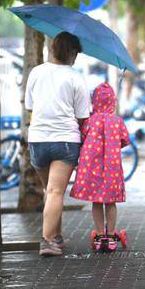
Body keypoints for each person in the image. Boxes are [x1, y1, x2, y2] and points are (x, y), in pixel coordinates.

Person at [25, 31, 90, 256]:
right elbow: (83, 115)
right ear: (72, 52)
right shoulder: (76, 77)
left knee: (50, 190)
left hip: (38, 140)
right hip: (65, 141)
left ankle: (56, 236)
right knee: (55, 191)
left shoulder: (36, 72)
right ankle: (46, 241)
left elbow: (30, 106)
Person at [70, 82, 130, 251]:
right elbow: (124, 140)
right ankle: (111, 236)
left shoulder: (89, 121)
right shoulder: (117, 122)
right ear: (113, 102)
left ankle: (98, 235)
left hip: (92, 168)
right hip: (111, 169)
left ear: (93, 101)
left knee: (96, 201)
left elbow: (81, 137)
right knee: (110, 202)